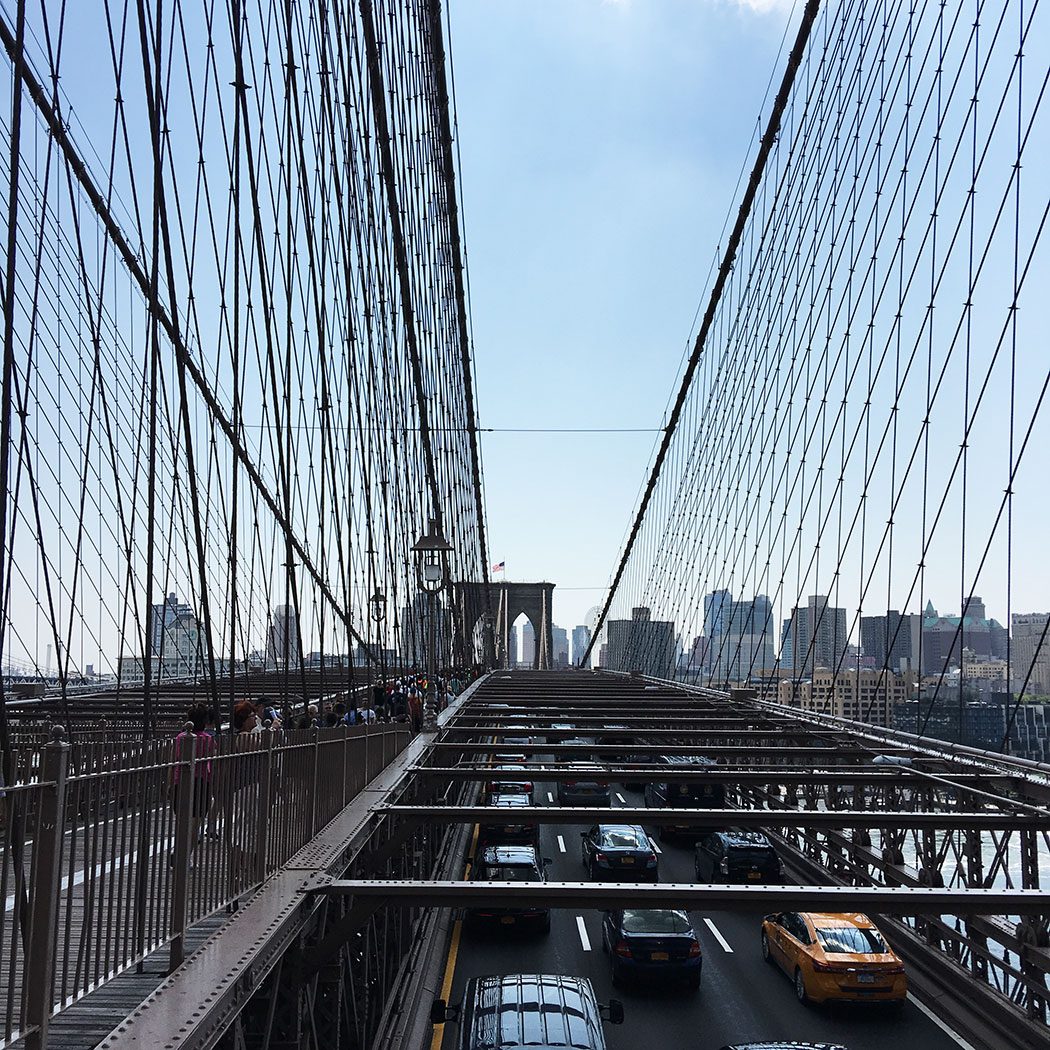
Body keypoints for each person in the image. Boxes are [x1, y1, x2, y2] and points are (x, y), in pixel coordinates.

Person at [170, 705, 216, 867]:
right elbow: (211, 761)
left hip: (179, 782)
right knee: (195, 823)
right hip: (200, 782)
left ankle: (179, 851)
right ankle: (184, 855)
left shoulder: (180, 737)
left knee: (182, 821)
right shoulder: (207, 739)